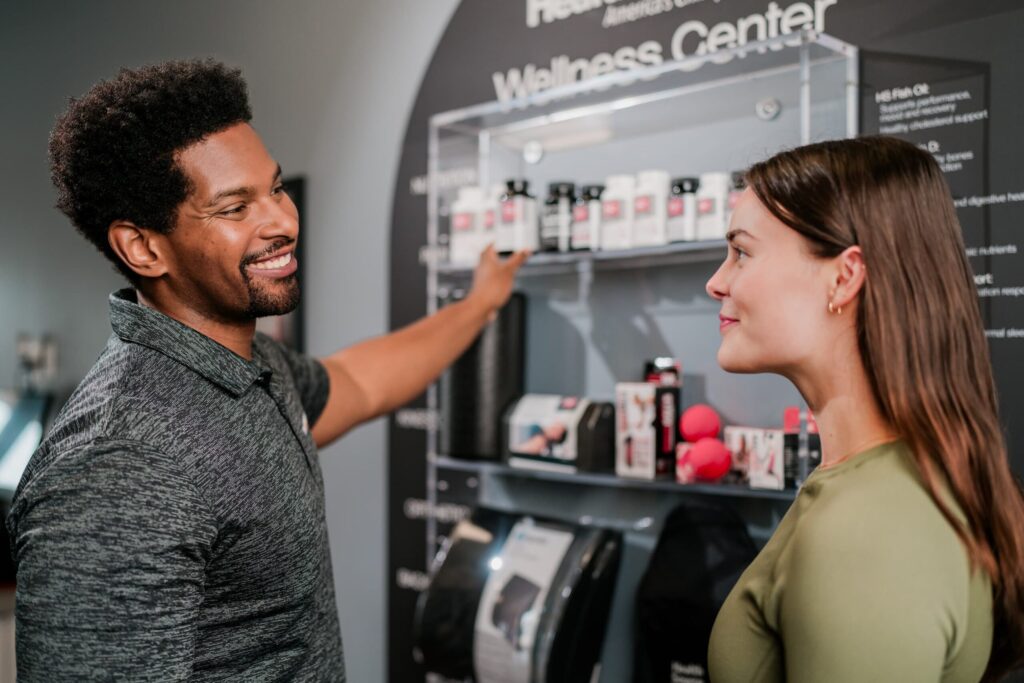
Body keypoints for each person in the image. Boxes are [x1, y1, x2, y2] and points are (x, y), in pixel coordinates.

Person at [6, 59, 527, 681]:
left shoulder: (252, 366)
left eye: (274, 189)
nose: (283, 222)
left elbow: (359, 382)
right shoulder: (117, 462)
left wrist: (479, 304)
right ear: (143, 248)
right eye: (234, 208)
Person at [705, 136, 1024, 682]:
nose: (717, 282)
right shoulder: (870, 488)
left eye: (741, 252)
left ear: (844, 276)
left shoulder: (867, 535)